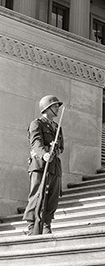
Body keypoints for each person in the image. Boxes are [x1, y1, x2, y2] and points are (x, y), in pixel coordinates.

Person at [23, 95, 64, 235]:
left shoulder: (57, 127)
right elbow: (35, 143)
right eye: (55, 106)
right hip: (40, 165)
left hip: (54, 166)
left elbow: (62, 148)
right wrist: (44, 153)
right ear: (47, 107)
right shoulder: (36, 124)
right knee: (36, 195)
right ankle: (31, 225)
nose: (57, 108)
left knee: (52, 197)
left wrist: (55, 149)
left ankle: (47, 223)